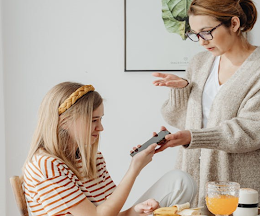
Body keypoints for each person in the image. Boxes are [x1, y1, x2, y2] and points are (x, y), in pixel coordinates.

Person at [152, 0, 260, 208]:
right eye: (196, 34)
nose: (201, 42)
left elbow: (253, 130)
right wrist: (181, 91)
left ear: (233, 24)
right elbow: (180, 120)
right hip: (192, 182)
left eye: (206, 32)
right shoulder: (199, 63)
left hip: (240, 187)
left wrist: (193, 136)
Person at [22, 82, 197, 216]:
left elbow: (110, 213)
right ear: (64, 122)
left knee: (180, 181)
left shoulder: (94, 158)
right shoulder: (47, 164)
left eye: (101, 119)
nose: (100, 128)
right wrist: (135, 168)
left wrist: (136, 210)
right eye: (93, 120)